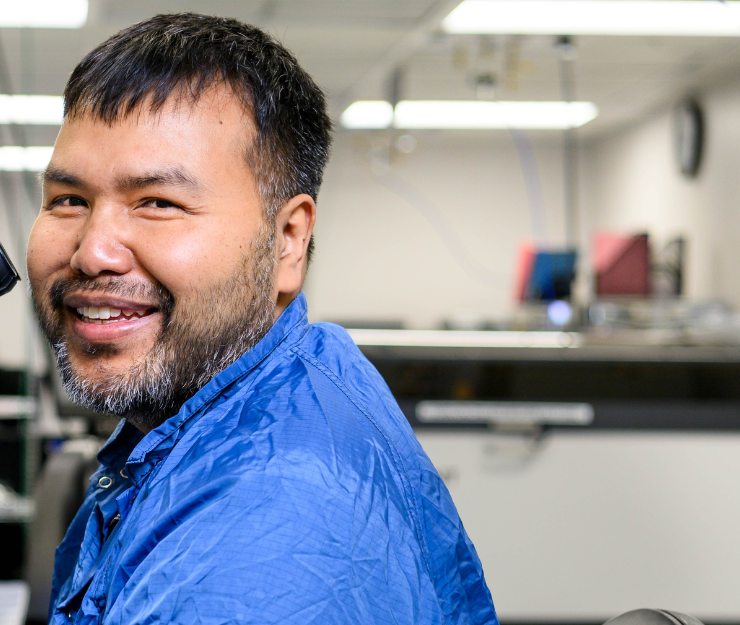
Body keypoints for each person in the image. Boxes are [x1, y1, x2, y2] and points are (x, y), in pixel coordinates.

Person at [30, 14, 497, 624]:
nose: (92, 251)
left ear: (286, 242)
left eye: (158, 204)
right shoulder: (268, 391)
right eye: (70, 200)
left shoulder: (267, 527)